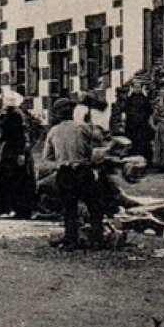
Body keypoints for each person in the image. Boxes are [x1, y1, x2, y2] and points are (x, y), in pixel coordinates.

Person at [42, 97, 106, 250]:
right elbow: (97, 144)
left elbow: (47, 158)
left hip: (65, 173)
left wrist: (59, 163)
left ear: (57, 114)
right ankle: (97, 239)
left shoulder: (53, 131)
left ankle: (71, 240)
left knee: (69, 208)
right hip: (83, 170)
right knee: (94, 205)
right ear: (72, 112)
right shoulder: (82, 128)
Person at [0, 89, 36, 219]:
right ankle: (7, 207)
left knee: (18, 180)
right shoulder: (8, 114)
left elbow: (21, 135)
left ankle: (21, 210)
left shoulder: (16, 114)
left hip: (16, 150)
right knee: (7, 178)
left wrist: (21, 153)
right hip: (9, 150)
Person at [124, 85, 155, 163]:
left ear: (141, 89)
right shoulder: (129, 99)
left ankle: (145, 160)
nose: (137, 89)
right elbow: (126, 110)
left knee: (143, 142)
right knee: (133, 142)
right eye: (135, 87)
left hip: (143, 125)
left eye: (138, 87)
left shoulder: (145, 99)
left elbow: (149, 111)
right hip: (132, 125)